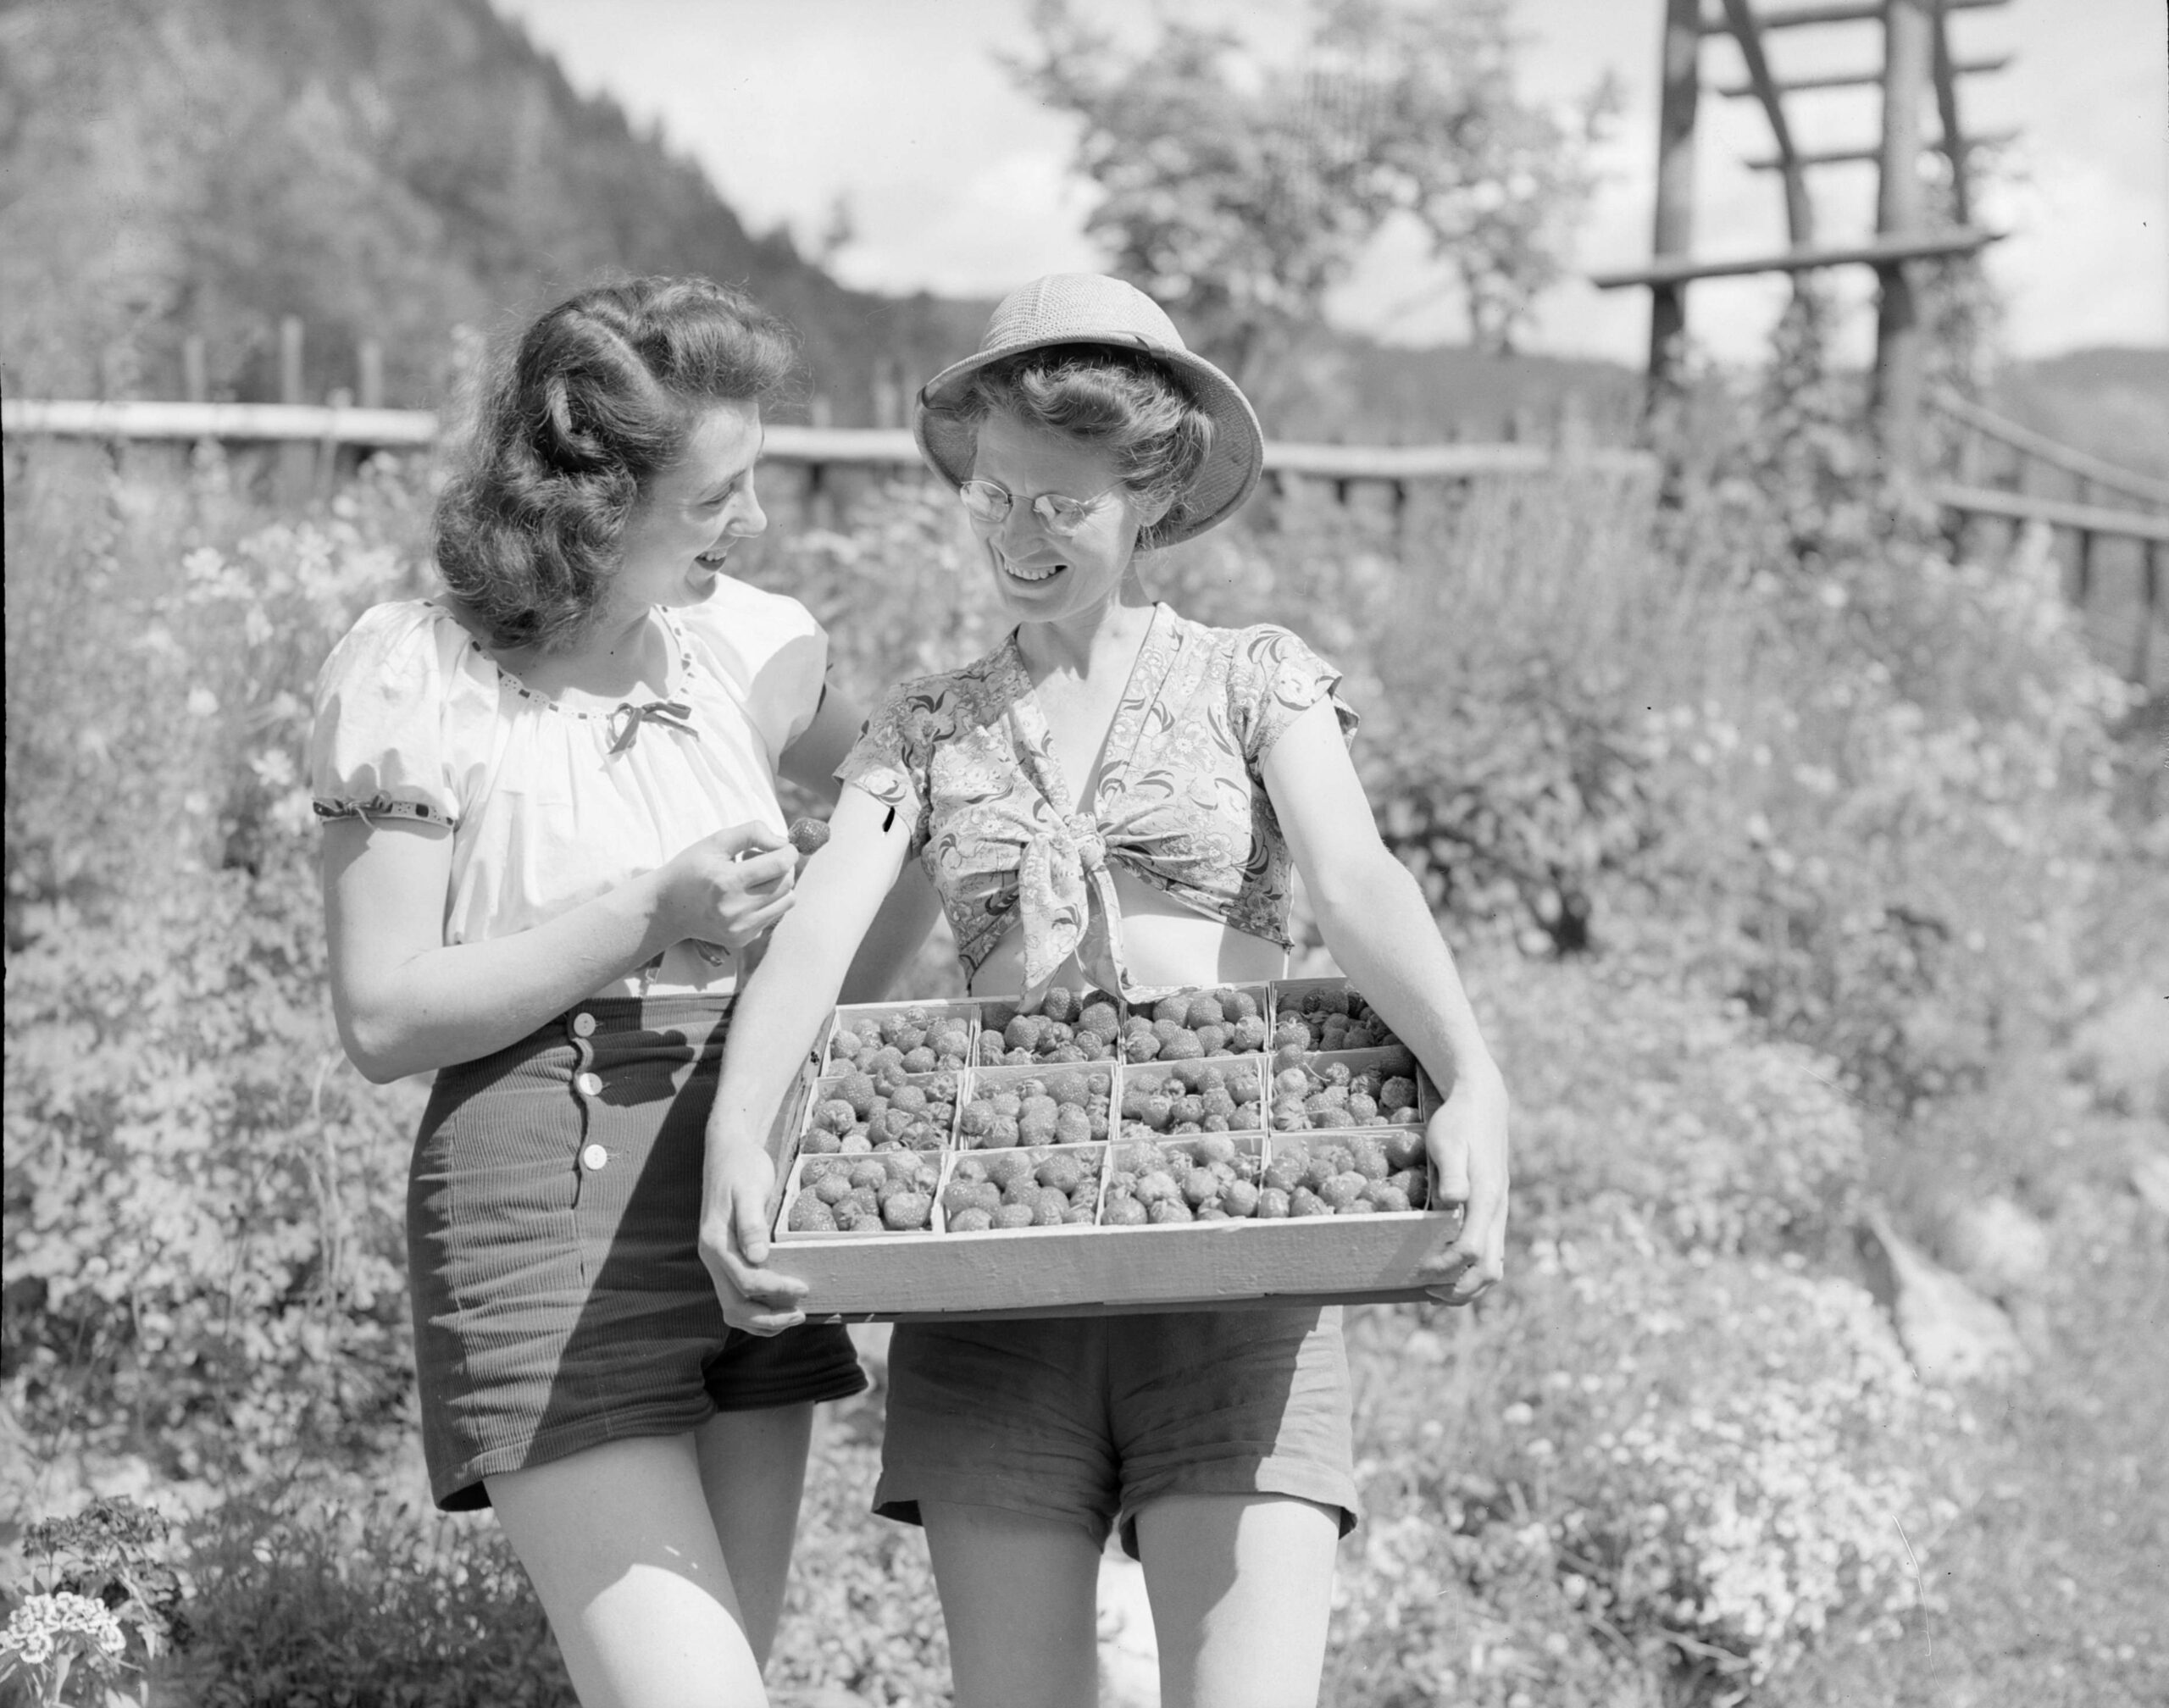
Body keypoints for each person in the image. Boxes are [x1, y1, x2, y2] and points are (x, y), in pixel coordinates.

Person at [700, 273, 1511, 1708]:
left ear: (1150, 495)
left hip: (1237, 1247)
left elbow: (1357, 876)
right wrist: (740, 1133)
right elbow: (827, 926)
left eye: (1060, 505)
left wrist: (1473, 1082)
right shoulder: (930, 721)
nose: (1018, 536)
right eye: (995, 495)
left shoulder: (1255, 681)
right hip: (999, 1262)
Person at [312, 275, 933, 1708]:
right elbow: (386, 1018)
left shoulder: (754, 647)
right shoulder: (419, 673)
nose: (755, 523)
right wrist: (647, 915)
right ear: (594, 500)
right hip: (544, 1192)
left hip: (750, 1189)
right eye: (720, 493)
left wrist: (814, 1019)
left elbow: (910, 811)